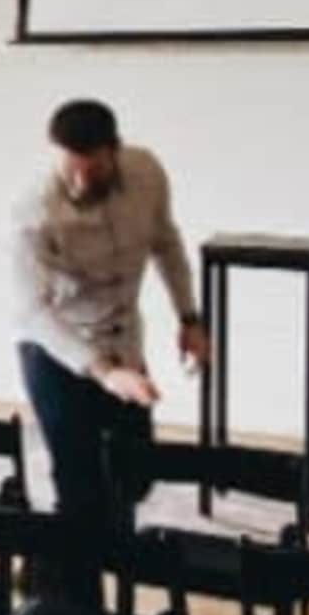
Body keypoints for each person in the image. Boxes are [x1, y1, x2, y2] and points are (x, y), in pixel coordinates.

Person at [12, 99, 205, 556]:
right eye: (69, 171)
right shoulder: (31, 211)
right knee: (79, 486)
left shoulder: (146, 173)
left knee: (134, 476)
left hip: (124, 343)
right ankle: (81, 604)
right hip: (58, 350)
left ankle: (69, 565)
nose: (80, 183)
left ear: (113, 151)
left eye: (92, 170)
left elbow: (166, 242)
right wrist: (101, 372)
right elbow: (35, 313)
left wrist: (190, 319)